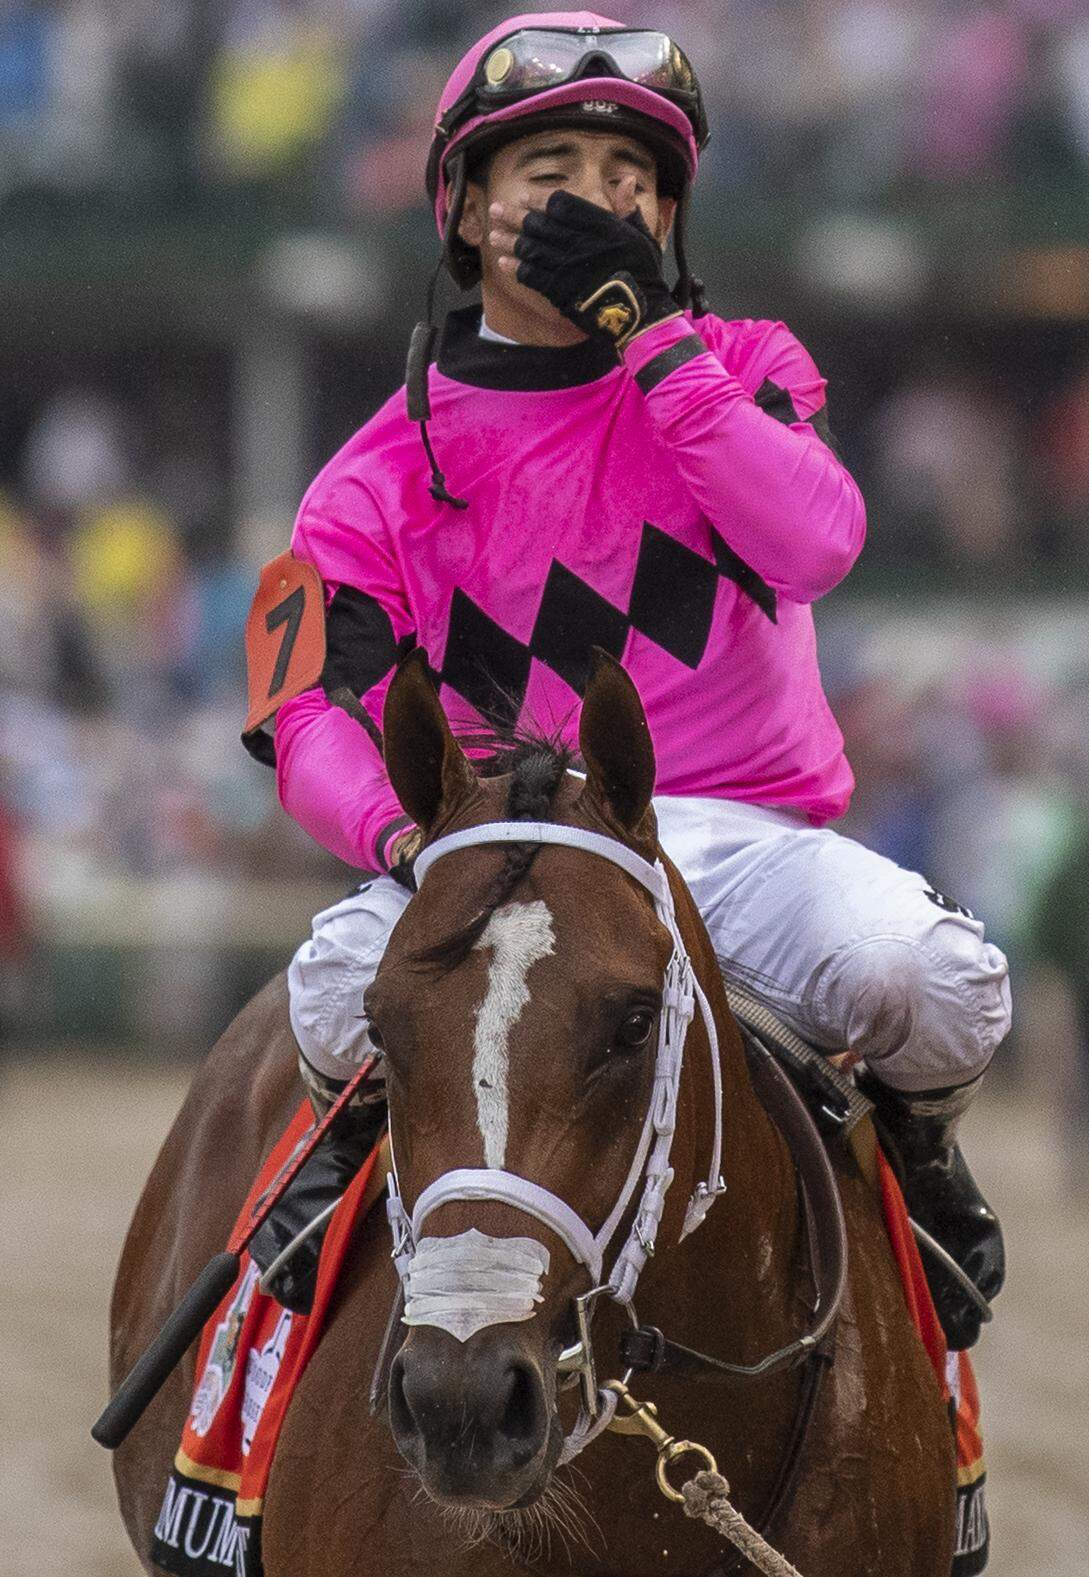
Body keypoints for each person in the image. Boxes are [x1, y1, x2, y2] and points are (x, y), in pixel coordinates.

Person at [244, 12, 1010, 1347]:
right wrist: (409, 844)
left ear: (666, 215)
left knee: (933, 979)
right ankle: (351, 1154)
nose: (598, 203)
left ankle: (919, 1151)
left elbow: (818, 544)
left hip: (745, 841)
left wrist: (654, 343)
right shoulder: (360, 482)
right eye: (552, 173)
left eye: (629, 180)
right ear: (465, 208)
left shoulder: (750, 366)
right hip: (499, 851)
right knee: (327, 984)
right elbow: (302, 716)